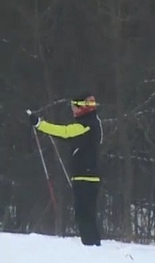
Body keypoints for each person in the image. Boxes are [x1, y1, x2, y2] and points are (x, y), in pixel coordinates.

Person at [28, 94, 103, 247]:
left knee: (84, 215)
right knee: (84, 215)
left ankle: (91, 247)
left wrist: (40, 124)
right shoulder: (88, 123)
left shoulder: (87, 125)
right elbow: (67, 136)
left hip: (86, 177)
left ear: (84, 107)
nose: (73, 111)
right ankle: (93, 247)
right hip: (83, 176)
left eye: (75, 107)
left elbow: (65, 132)